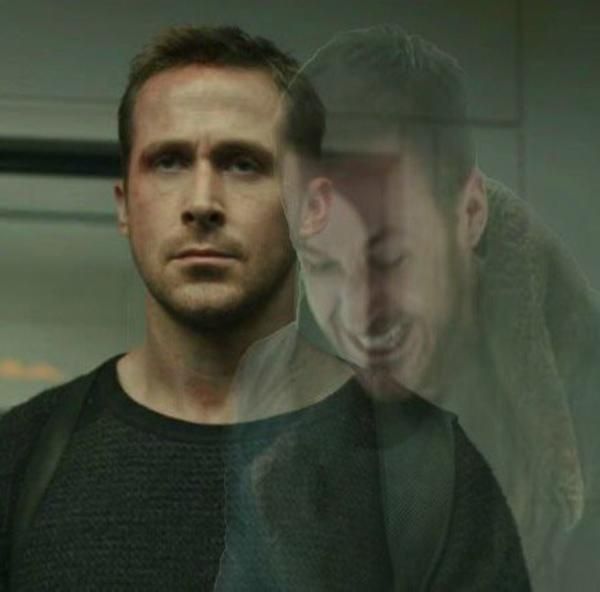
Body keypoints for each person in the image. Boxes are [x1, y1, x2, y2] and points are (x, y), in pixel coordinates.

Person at [0, 25, 529, 591]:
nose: (202, 203)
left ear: (313, 209)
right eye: (169, 161)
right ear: (125, 205)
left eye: (242, 164)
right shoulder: (20, 458)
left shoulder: (426, 473)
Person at [282, 25, 600, 591]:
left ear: (470, 212)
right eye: (323, 265)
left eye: (390, 257)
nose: (358, 316)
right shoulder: (281, 457)